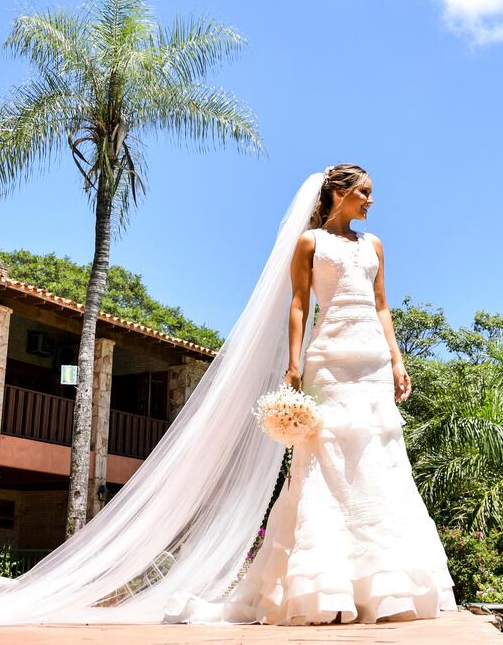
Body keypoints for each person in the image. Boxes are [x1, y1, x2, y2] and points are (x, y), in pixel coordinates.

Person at [164, 164, 457, 625]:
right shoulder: (310, 243)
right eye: (364, 192)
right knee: (326, 461)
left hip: (373, 364)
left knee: (379, 461)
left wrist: (397, 359)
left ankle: (383, 587)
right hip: (329, 360)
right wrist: (294, 364)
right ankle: (324, 587)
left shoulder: (373, 245)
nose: (371, 201)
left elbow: (382, 305)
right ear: (340, 193)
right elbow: (299, 304)